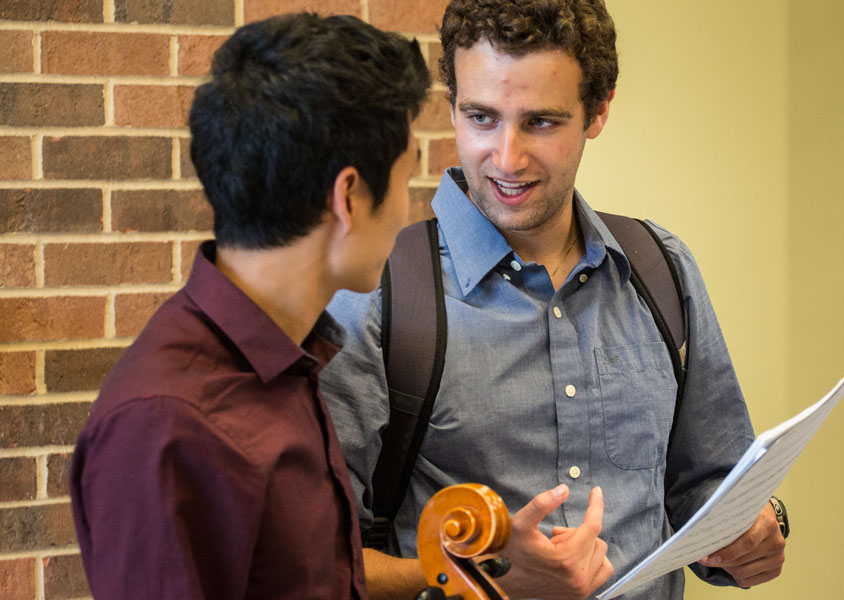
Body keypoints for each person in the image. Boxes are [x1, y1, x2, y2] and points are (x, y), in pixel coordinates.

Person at [319, 1, 787, 599]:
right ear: (452, 107)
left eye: (541, 122)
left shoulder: (662, 270)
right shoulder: (376, 295)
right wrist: (485, 577)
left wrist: (756, 529)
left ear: (598, 111)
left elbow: (712, 485)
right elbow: (324, 564)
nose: (507, 158)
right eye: (481, 117)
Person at [68, 13, 429, 600]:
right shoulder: (165, 425)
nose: (411, 211)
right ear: (349, 197)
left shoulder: (290, 358)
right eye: (409, 180)